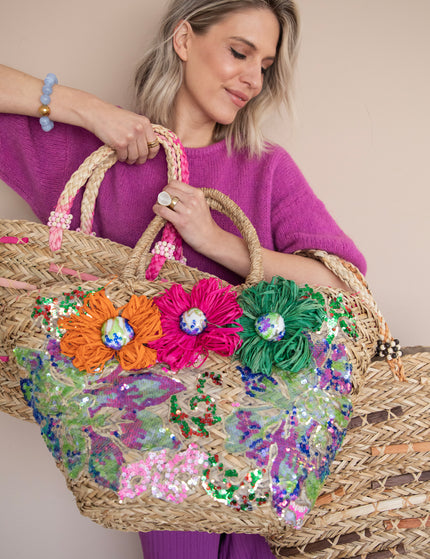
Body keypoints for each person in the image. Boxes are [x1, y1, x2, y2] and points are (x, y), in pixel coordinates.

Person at [0, 0, 366, 557]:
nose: (253, 79)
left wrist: (215, 240)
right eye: (239, 52)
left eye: (265, 65)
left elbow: (342, 285)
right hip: (157, 447)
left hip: (267, 444)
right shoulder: (91, 154)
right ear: (184, 39)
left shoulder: (265, 167)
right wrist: (89, 110)